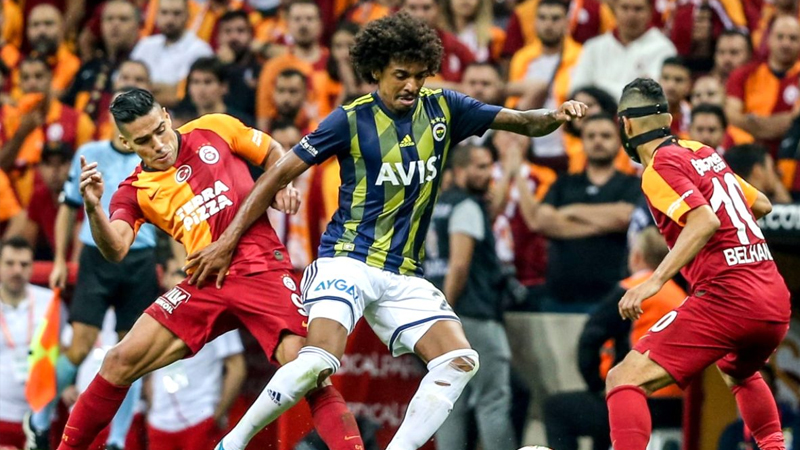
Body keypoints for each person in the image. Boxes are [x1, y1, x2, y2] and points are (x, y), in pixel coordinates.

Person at [183, 12, 586, 450]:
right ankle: (232, 444)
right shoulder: (349, 120)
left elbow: (525, 122)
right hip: (347, 259)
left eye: (419, 75)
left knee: (459, 360)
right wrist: (228, 241)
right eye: (401, 75)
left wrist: (556, 114)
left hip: (403, 273)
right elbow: (277, 174)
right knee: (318, 361)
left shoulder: (445, 108)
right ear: (376, 71)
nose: (412, 85)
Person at [55, 88, 364, 450]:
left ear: (167, 115)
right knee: (117, 360)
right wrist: (94, 209)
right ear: (126, 142)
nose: (158, 144)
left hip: (260, 267)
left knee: (308, 371)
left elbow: (272, 152)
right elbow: (116, 248)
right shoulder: (134, 191)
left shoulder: (214, 127)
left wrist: (282, 185)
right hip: (204, 281)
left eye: (160, 130)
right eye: (143, 141)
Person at [607, 77, 791, 450]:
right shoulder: (701, 151)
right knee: (736, 368)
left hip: (728, 298)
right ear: (668, 120)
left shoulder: (657, 168)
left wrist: (654, 281)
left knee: (623, 379)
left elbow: (704, 220)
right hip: (774, 297)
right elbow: (762, 204)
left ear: (626, 125)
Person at [24, 89, 158, 450]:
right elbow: (68, 207)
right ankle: (39, 419)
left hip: (140, 258)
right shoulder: (91, 154)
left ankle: (116, 441)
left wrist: (177, 259)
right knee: (80, 345)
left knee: (133, 353)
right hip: (97, 258)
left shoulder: (155, 155)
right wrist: (58, 260)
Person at [544, 227, 685, 450]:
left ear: (636, 256)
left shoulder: (632, 291)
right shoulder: (680, 295)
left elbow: (590, 338)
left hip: (641, 400)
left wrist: (595, 385)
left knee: (556, 409)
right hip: (679, 406)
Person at [428, 145, 516, 450]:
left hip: (439, 316)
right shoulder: (467, 206)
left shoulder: (438, 205)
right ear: (458, 171)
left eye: (489, 166)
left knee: (449, 401)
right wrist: (447, 313)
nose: (487, 173)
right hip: (471, 315)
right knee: (493, 398)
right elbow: (460, 265)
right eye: (479, 167)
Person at [520, 113, 641, 312]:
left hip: (613, 296)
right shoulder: (563, 183)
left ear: (619, 142)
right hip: (560, 296)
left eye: (605, 136)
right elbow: (542, 221)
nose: (598, 141)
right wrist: (605, 224)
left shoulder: (632, 185)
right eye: (591, 136)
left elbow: (626, 217)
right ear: (582, 142)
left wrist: (569, 211)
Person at [146, 331, 247, 450]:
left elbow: (237, 367)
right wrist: (152, 408)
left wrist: (218, 414)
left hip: (200, 418)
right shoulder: (157, 321)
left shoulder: (217, 320)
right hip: (159, 423)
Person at [0, 237, 54, 450]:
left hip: (42, 415)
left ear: (33, 267)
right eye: (10, 263)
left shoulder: (50, 302)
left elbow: (66, 349)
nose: (17, 270)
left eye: (24, 264)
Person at [725, 16, 800, 156]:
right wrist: (786, 121)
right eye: (780, 37)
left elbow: (796, 122)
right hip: (749, 153)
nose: (786, 43)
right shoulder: (744, 74)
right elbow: (731, 116)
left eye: (793, 38)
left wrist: (753, 122)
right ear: (769, 39)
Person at [569, 0, 676, 99]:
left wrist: (599, 86)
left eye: (638, 9)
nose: (631, 15)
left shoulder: (664, 49)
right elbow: (577, 89)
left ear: (650, 11)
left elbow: (648, 97)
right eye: (625, 8)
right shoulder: (593, 47)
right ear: (614, 9)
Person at [130, 0, 213, 108]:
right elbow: (124, 82)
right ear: (157, 15)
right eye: (164, 13)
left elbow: (180, 95)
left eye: (176, 13)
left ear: (188, 16)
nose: (170, 19)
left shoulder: (200, 50)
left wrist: (146, 87)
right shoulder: (145, 45)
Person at [724, 144, 792, 204]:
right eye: (773, 167)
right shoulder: (759, 207)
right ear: (757, 171)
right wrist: (777, 186)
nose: (779, 172)